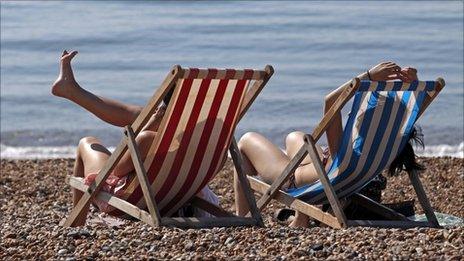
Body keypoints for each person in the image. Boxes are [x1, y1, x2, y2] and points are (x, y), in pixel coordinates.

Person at [234, 61, 421, 227]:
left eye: (354, 117)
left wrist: (368, 76)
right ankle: (301, 215)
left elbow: (330, 101)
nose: (350, 116)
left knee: (245, 141)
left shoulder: (343, 149)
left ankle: (242, 217)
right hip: (330, 172)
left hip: (295, 181)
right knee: (295, 136)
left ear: (360, 123)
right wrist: (411, 84)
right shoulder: (388, 143)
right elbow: (405, 114)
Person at [52, 50, 218, 226]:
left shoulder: (148, 139)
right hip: (182, 199)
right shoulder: (210, 136)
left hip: (139, 200)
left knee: (87, 143)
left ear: (166, 107)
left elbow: (117, 170)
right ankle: (71, 89)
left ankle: (77, 221)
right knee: (137, 114)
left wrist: (149, 125)